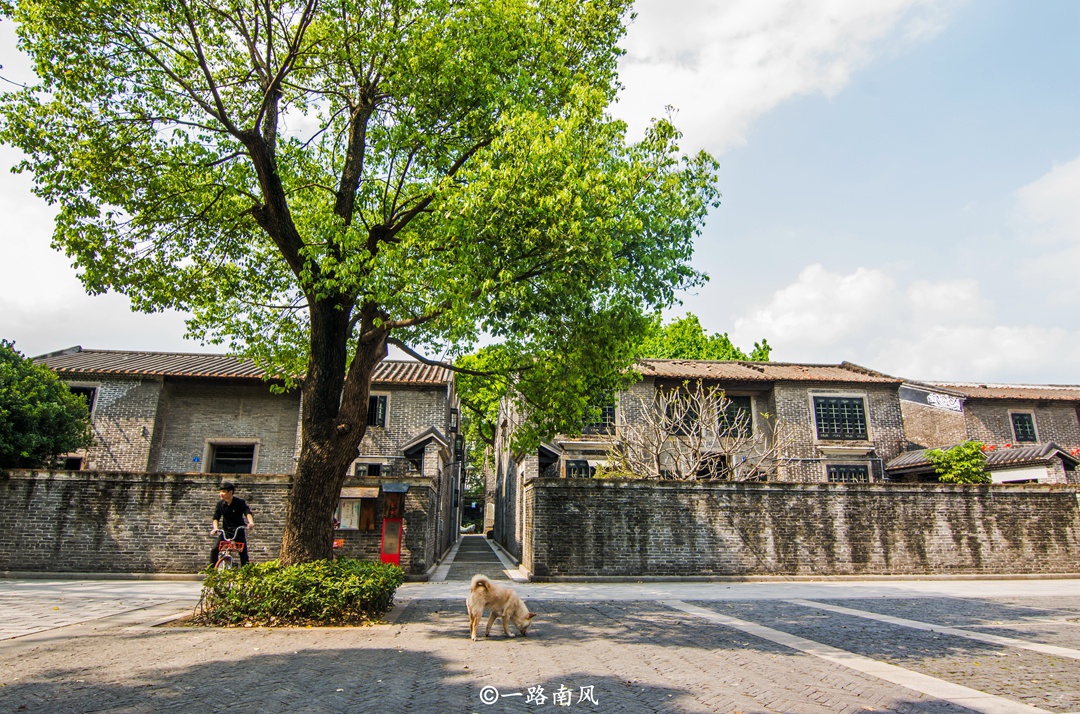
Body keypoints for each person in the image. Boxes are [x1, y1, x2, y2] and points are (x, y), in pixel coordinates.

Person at [210, 482, 255, 567]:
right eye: (220, 491)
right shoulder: (220, 504)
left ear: (230, 492)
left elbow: (247, 512)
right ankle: (211, 571)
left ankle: (245, 572)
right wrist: (215, 528)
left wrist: (251, 522)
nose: (221, 494)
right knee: (214, 549)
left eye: (223, 491)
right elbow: (216, 517)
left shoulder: (240, 502)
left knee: (243, 553)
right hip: (226, 531)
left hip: (238, 530)